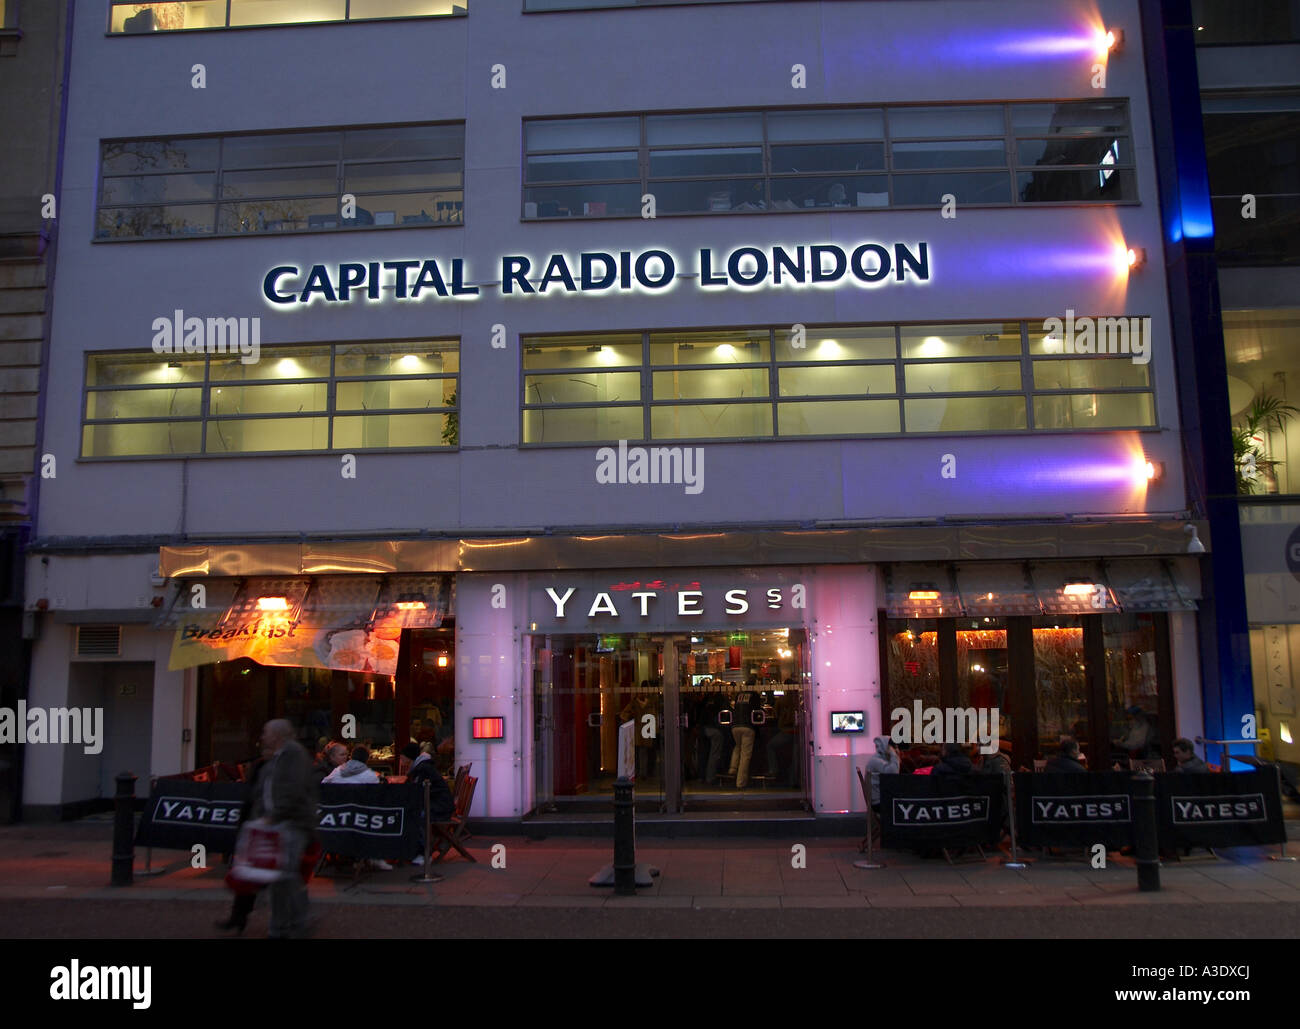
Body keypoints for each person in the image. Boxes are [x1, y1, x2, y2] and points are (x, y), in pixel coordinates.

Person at [248, 718, 317, 939]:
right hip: (277, 823)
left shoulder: (293, 755)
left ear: (277, 735)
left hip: (292, 823)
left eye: (265, 732)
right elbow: (266, 790)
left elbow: (293, 789)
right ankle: (285, 923)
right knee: (281, 875)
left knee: (284, 874)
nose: (262, 737)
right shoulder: (277, 757)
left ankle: (291, 923)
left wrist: (273, 815)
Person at [402, 741, 452, 873]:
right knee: (413, 814)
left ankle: (424, 853)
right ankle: (418, 850)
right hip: (441, 805)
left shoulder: (422, 769)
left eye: (403, 756)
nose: (401, 759)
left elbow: (418, 792)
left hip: (438, 808)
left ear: (409, 757)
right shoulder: (422, 766)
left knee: (416, 817)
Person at [728, 680, 760, 788]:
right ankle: (740, 782)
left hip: (735, 725)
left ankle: (732, 769)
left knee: (738, 746)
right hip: (748, 726)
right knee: (745, 754)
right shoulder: (754, 695)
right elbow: (757, 710)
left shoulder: (739, 694)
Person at [864, 736, 899, 809]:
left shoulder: (881, 759)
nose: (896, 750)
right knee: (905, 803)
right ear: (886, 747)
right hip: (878, 801)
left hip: (881, 798)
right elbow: (894, 772)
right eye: (894, 748)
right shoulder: (876, 760)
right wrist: (894, 755)